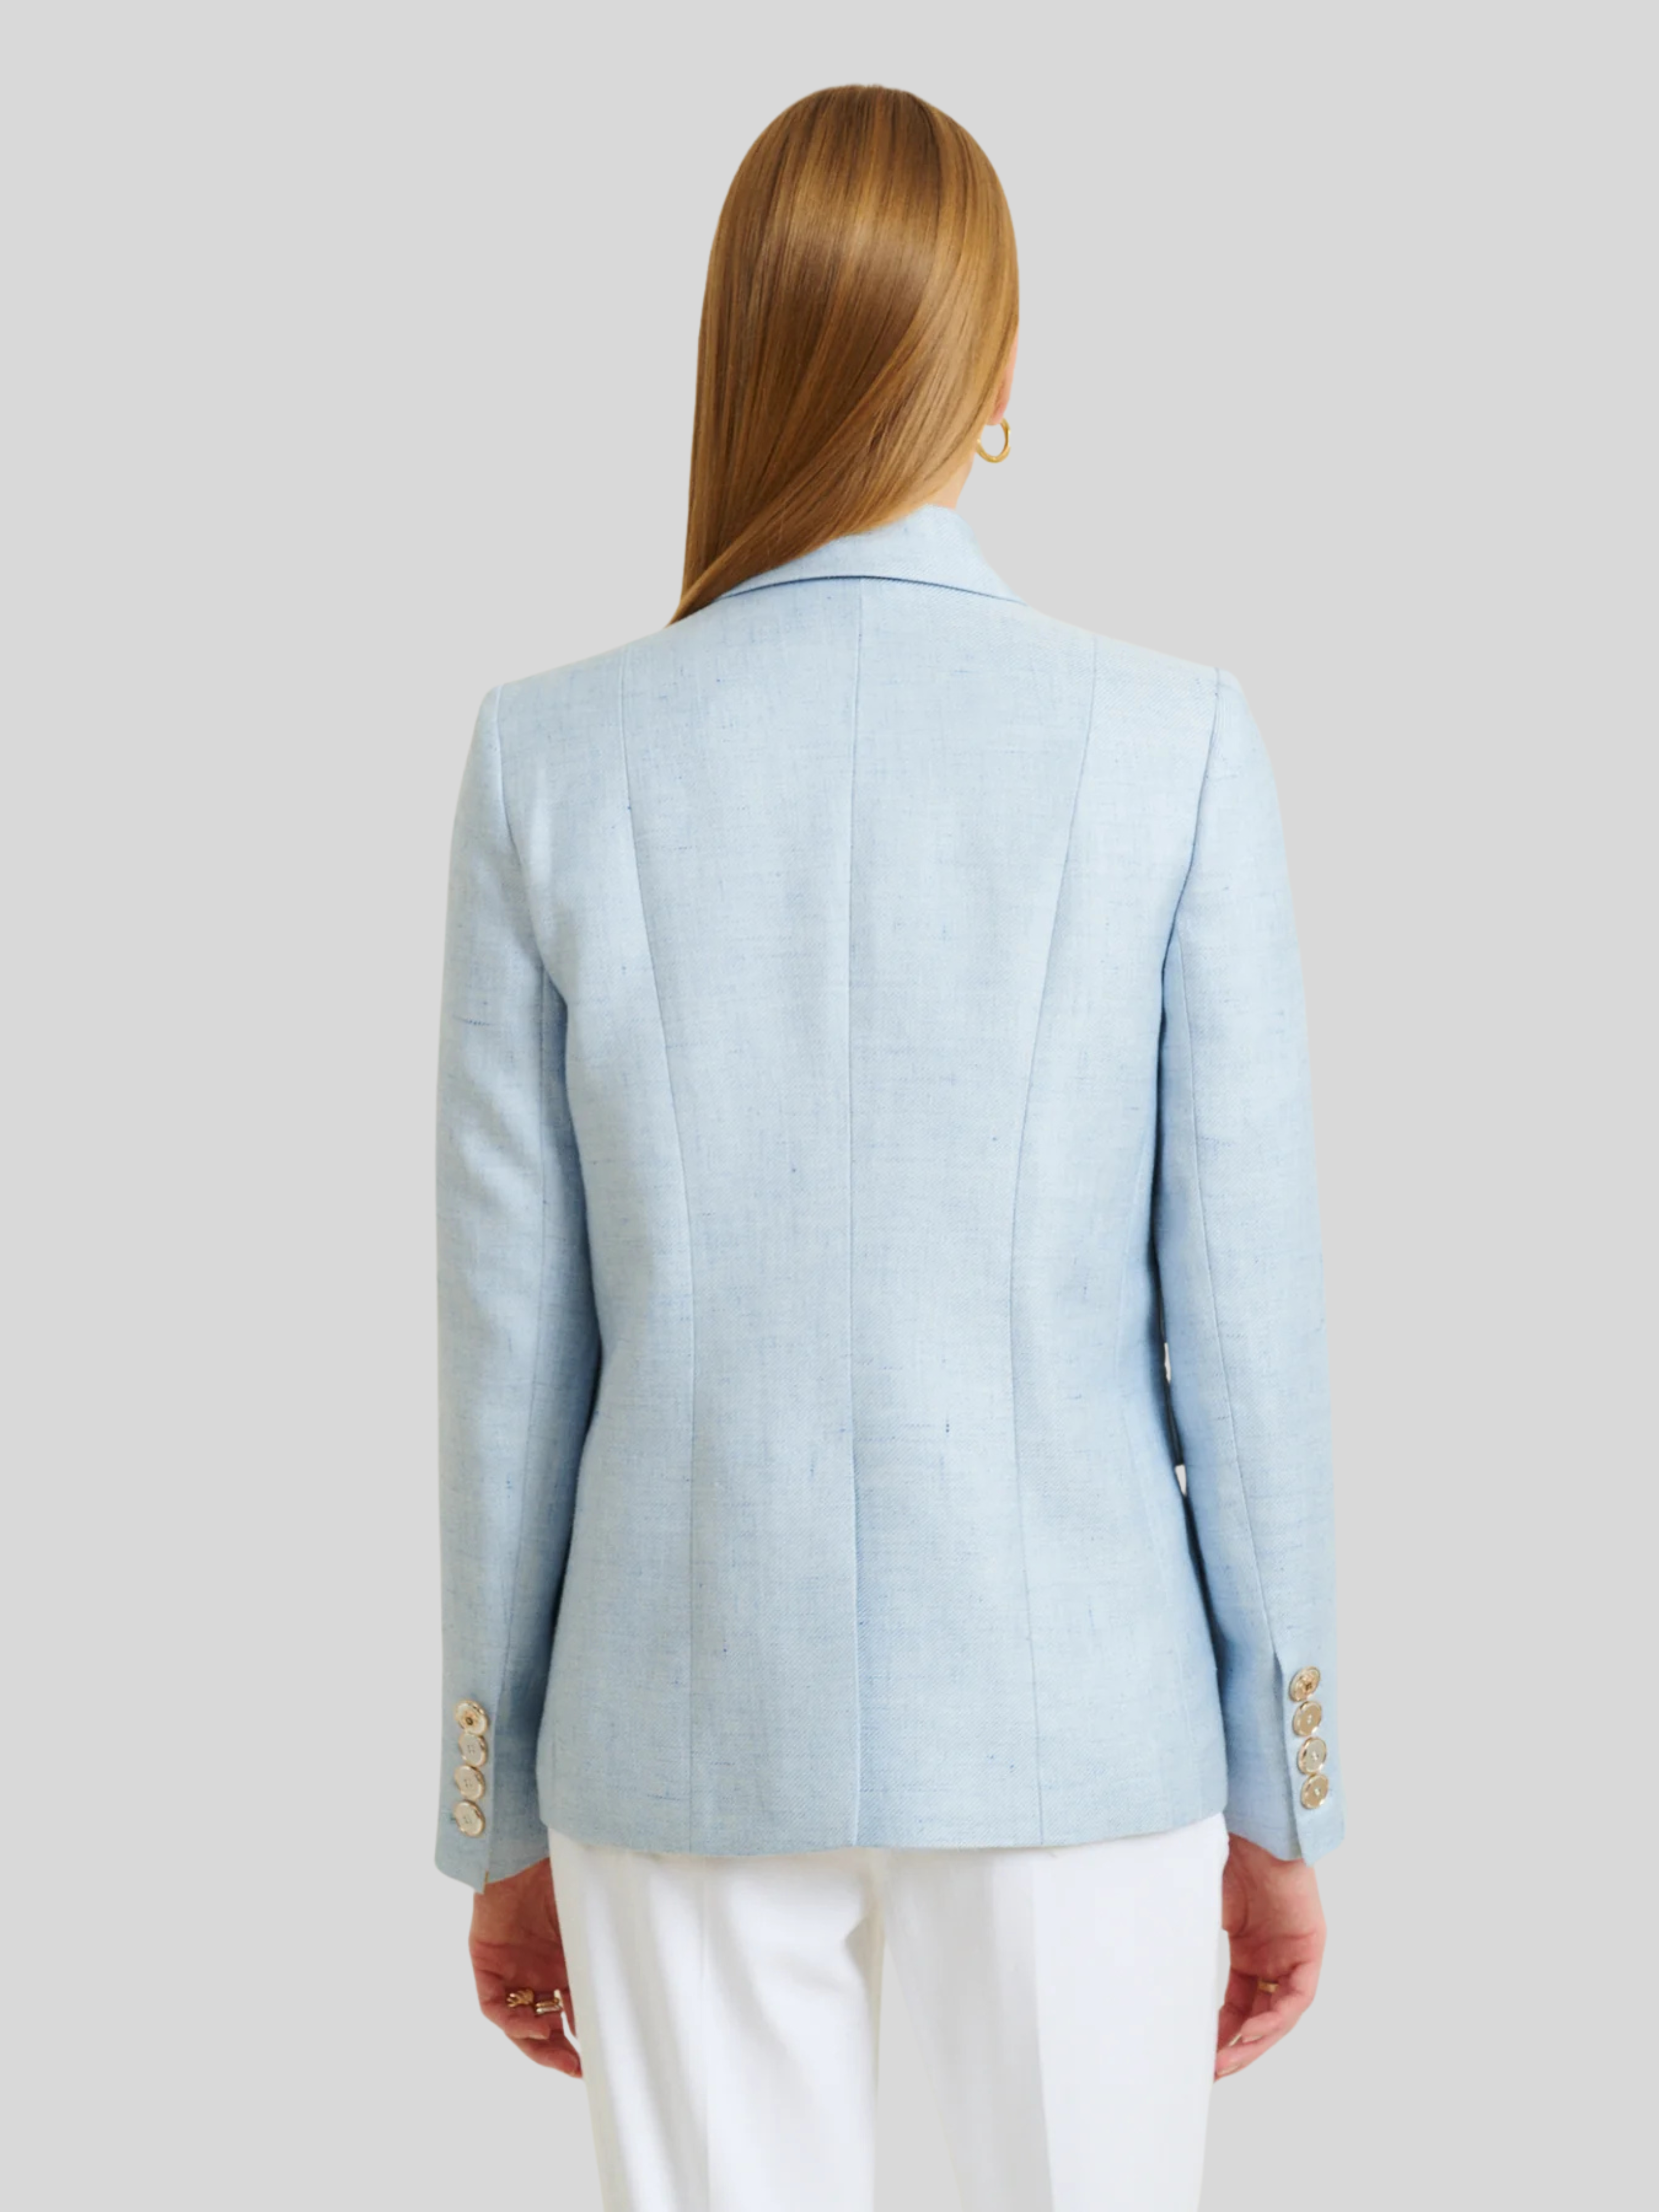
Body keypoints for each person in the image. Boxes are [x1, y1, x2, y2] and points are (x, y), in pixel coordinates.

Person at [434, 82, 1342, 2212]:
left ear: (738, 357)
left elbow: (507, 1358)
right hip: (1082, 1731)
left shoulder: (549, 760)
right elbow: (1247, 1334)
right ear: (992, 376)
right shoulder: (1171, 744)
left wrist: (497, 1807)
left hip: (672, 1727)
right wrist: (1281, 1791)